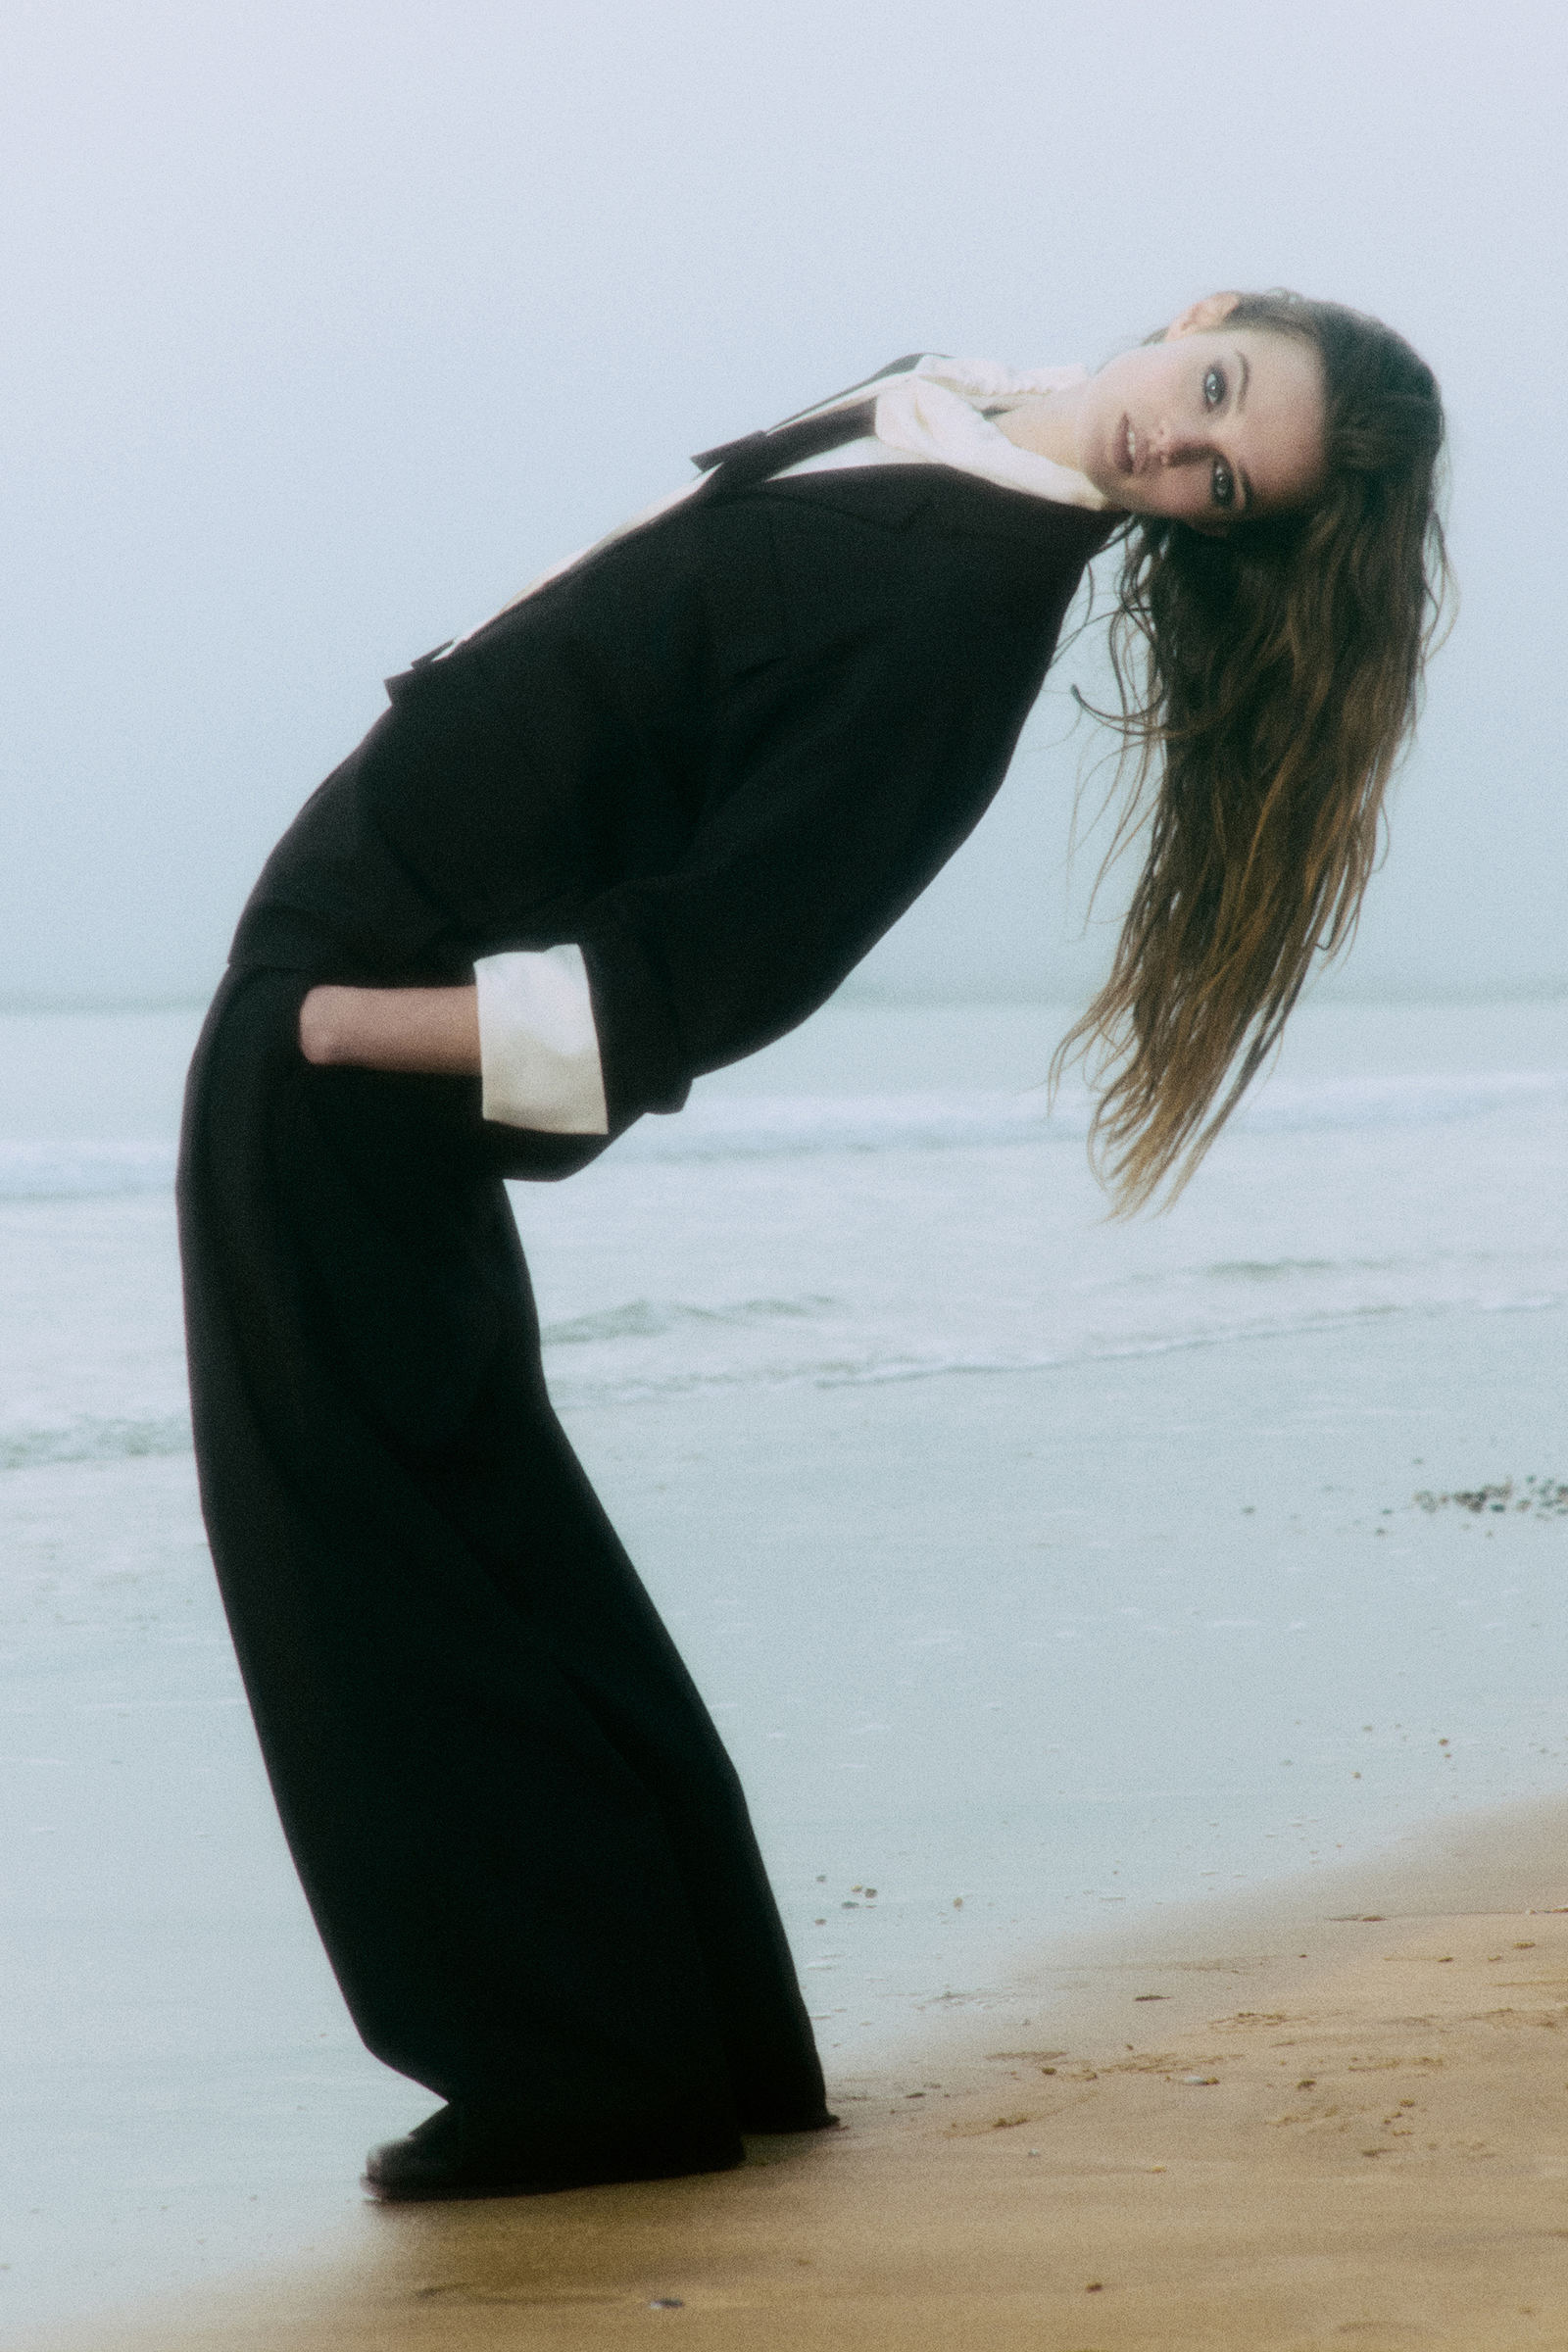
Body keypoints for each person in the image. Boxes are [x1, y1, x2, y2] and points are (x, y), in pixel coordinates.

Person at [176, 289, 1447, 2202]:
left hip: (362, 1019)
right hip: (358, 962)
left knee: (365, 1556)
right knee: (480, 1517)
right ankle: (692, 2039)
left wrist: (357, 1028)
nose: (1176, 452)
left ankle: (588, 2076)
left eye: (1218, 484)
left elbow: (727, 962)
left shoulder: (959, 610)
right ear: (1204, 316)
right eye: (1212, 395)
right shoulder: (962, 412)